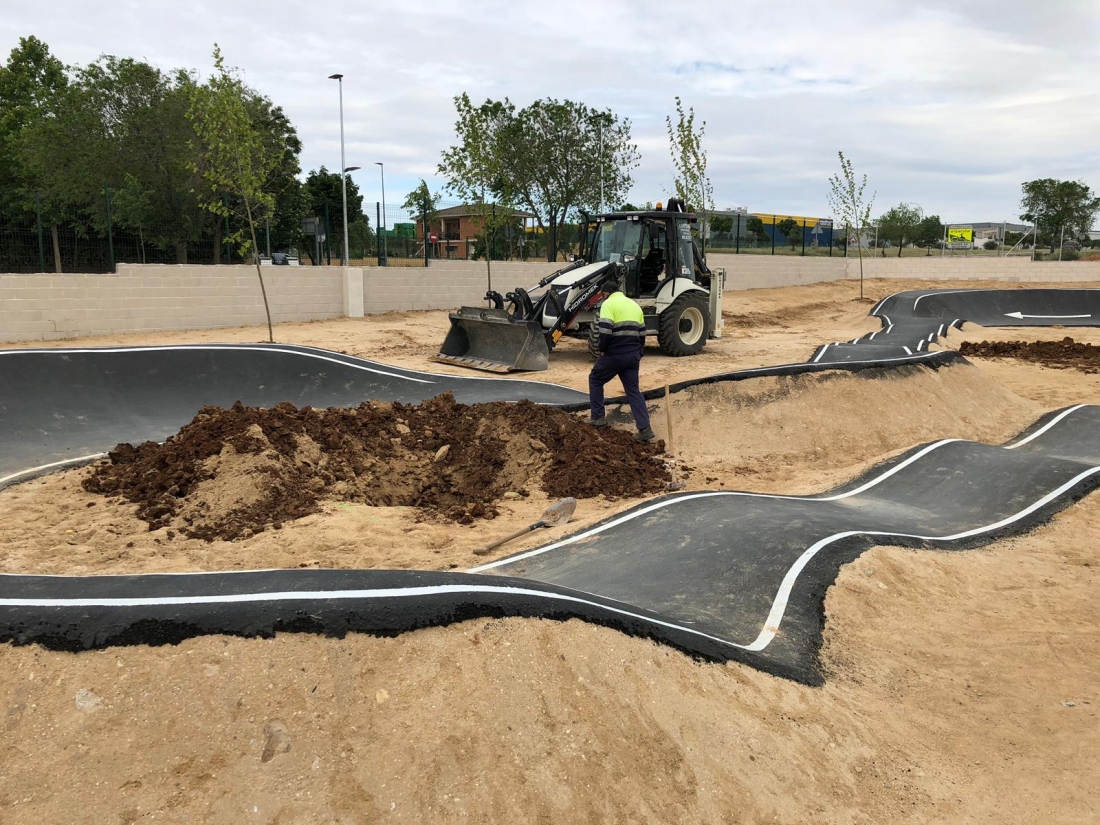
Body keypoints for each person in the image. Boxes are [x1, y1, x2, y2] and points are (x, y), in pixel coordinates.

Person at [588, 270, 655, 442]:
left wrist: (601, 350)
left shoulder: (608, 305)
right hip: (632, 356)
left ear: (605, 293)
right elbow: (642, 333)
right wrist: (639, 352)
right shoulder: (634, 305)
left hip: (615, 354)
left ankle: (597, 418)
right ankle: (645, 429)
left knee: (595, 379)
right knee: (633, 391)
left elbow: (605, 331)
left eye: (602, 295)